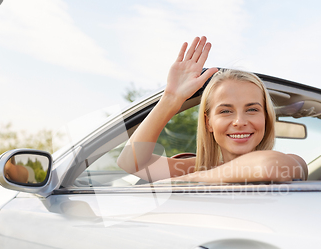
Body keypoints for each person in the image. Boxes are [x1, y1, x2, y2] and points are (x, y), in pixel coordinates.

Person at [117, 36, 307, 183]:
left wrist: (185, 180)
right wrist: (170, 99)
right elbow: (131, 163)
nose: (240, 122)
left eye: (252, 110)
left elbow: (269, 166)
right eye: (225, 111)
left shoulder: (293, 162)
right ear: (208, 123)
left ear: (265, 118)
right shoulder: (198, 167)